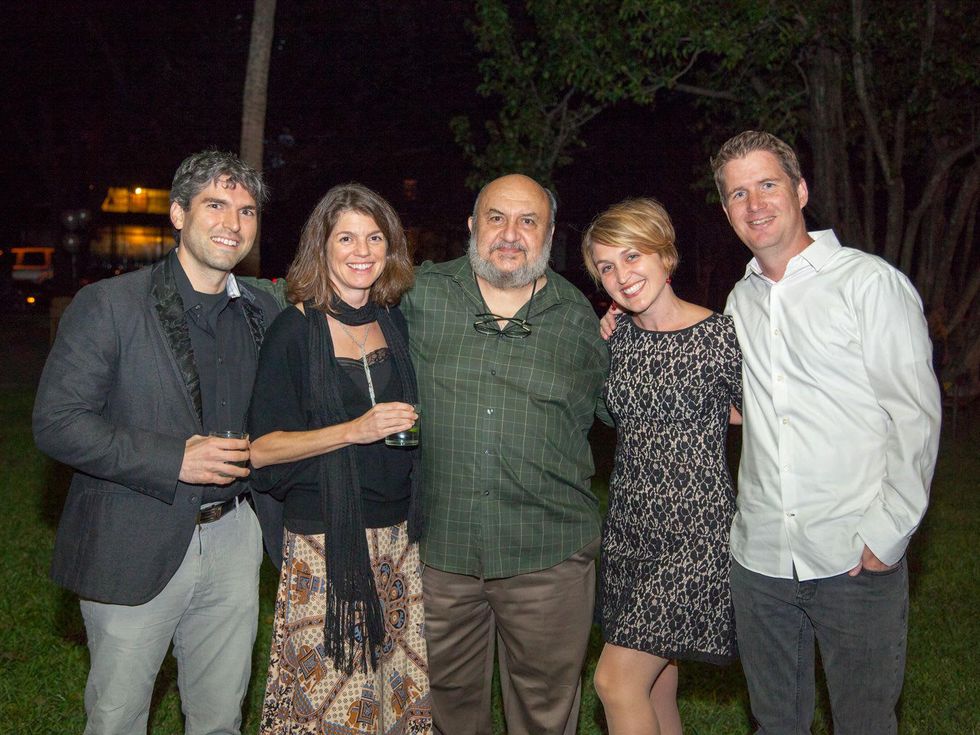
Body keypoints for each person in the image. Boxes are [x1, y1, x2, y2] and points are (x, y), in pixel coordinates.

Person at [33, 150, 283, 735]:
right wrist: (175, 459)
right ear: (177, 214)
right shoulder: (110, 304)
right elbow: (58, 422)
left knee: (221, 718)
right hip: (132, 538)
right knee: (118, 718)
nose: (232, 223)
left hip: (235, 538)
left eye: (246, 211)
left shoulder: (263, 310)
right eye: (215, 205)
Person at [713, 131, 942, 734]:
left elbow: (914, 415)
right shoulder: (740, 301)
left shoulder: (868, 283)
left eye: (768, 185)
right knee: (775, 724)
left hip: (851, 556)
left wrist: (888, 533)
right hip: (761, 561)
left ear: (800, 190)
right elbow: (738, 404)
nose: (755, 204)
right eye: (738, 193)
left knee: (864, 723)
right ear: (727, 211)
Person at [400, 173, 610, 735]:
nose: (510, 234)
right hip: (442, 552)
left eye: (528, 221)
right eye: (496, 218)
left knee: (545, 714)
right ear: (473, 225)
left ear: (550, 234)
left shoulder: (578, 319)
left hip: (548, 555)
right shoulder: (418, 295)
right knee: (447, 710)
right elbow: (333, 301)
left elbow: (624, 409)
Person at [247, 183, 431, 735]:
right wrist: (354, 430)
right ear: (321, 246)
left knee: (390, 696)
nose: (362, 251)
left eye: (374, 237)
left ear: (390, 247)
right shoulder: (294, 330)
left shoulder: (395, 321)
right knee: (333, 701)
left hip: (396, 540)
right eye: (346, 238)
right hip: (325, 538)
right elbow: (262, 450)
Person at [582, 198, 742, 735]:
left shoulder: (720, 335)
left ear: (665, 256)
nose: (622, 275)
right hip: (629, 528)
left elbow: (757, 414)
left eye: (633, 256)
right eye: (607, 266)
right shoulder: (617, 338)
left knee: (615, 682)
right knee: (657, 685)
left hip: (695, 532)